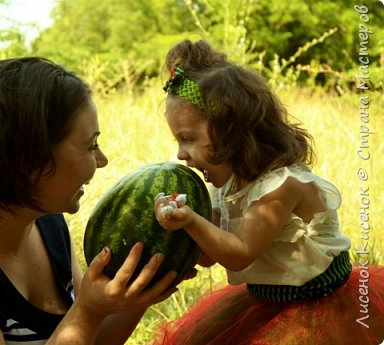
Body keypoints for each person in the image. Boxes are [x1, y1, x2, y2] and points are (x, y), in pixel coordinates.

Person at [0, 57, 180, 345]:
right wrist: (87, 311)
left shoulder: (44, 220)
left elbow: (90, 338)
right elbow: (83, 321)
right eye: (90, 146)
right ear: (28, 163)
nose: (102, 160)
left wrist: (142, 288)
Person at [152, 39, 384, 344]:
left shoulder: (279, 187)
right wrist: (176, 228)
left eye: (187, 138)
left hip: (317, 305)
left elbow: (240, 254)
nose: (181, 154)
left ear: (232, 132)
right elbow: (210, 256)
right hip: (265, 301)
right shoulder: (226, 186)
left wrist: (192, 221)